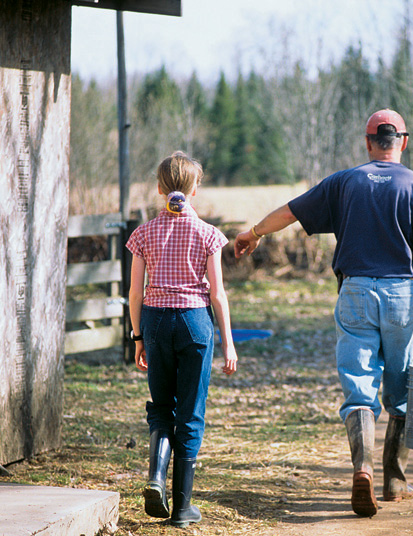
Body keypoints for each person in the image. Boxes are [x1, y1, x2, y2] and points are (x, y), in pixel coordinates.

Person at [234, 109, 413, 517]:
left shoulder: (344, 182)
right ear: (403, 142)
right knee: (403, 390)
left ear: (368, 142)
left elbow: (289, 212)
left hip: (355, 291)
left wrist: (253, 234)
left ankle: (363, 468)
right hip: (404, 297)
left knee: (359, 389)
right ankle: (394, 480)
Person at [127, 151, 238, 528]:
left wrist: (138, 337)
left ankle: (156, 478)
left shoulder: (143, 234)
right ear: (196, 189)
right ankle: (182, 508)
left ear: (160, 189)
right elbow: (218, 295)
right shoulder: (208, 235)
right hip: (194, 323)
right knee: (190, 412)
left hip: (155, 323)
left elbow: (135, 293)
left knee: (162, 405)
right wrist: (228, 343)